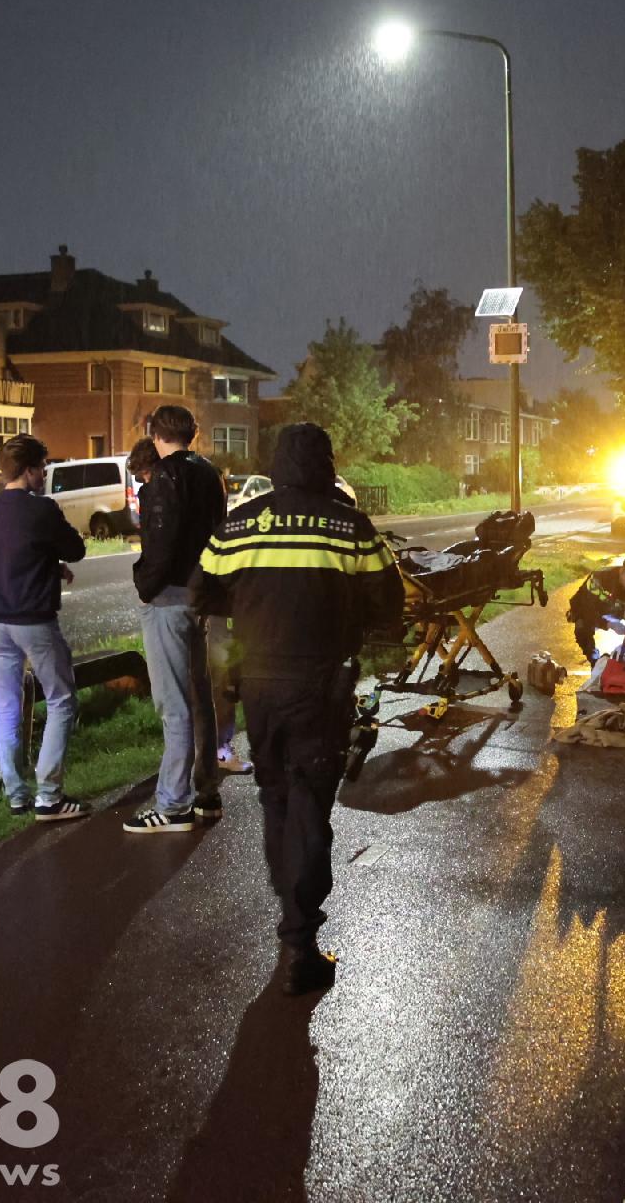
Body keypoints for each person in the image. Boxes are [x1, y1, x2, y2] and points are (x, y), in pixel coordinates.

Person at [190, 423, 403, 995]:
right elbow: (390, 599)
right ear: (327, 464)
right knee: (310, 799)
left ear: (277, 463)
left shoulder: (240, 523)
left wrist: (247, 617)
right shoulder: (349, 525)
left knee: (275, 797)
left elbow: (203, 590)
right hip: (320, 685)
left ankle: (291, 919)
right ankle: (301, 943)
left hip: (258, 683)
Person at [124, 405, 227, 833]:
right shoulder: (209, 474)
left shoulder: (166, 477)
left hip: (169, 599)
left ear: (154, 433)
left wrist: (144, 585)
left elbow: (161, 546)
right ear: (194, 433)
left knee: (174, 702)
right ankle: (206, 791)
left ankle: (173, 803)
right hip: (200, 596)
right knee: (200, 697)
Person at [0, 434, 89, 821]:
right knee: (61, 700)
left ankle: (15, 792)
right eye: (42, 467)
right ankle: (49, 795)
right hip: (33, 619)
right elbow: (75, 548)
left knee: (7, 706)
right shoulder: (42, 509)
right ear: (29, 470)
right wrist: (56, 561)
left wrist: (49, 565)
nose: (45, 474)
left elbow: (10, 555)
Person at [568, 554, 625, 663]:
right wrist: (607, 624)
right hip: (593, 608)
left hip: (619, 610)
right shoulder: (599, 577)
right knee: (582, 625)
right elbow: (586, 609)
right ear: (622, 571)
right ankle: (594, 659)